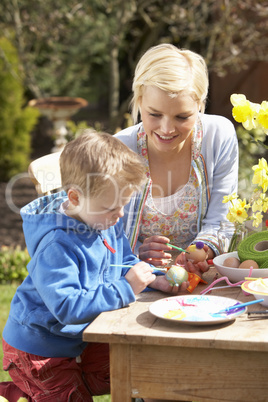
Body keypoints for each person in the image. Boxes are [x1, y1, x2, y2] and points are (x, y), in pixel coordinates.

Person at [1, 131, 189, 402]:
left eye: (123, 205)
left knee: (142, 368)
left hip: (80, 339)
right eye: (112, 207)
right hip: (40, 350)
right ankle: (25, 389)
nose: (120, 215)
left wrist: (154, 278)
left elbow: (123, 260)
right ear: (75, 198)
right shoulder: (56, 244)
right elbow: (67, 306)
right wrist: (125, 288)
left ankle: (39, 391)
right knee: (69, 395)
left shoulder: (102, 219)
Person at [115, 43, 238, 278]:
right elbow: (102, 238)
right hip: (135, 281)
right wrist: (135, 253)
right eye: (154, 114)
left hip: (200, 278)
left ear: (200, 104)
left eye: (182, 116)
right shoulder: (119, 150)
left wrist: (201, 251)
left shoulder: (218, 136)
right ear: (139, 100)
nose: (167, 128)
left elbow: (222, 220)